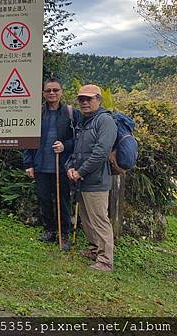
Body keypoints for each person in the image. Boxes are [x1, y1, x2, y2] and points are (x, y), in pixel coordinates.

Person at [67, 84, 117, 272]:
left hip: (96, 181)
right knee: (86, 217)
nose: (85, 102)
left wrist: (80, 172)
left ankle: (106, 261)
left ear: (99, 99)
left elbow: (100, 153)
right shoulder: (84, 121)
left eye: (89, 98)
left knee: (99, 219)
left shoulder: (105, 121)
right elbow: (77, 150)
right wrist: (71, 167)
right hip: (82, 179)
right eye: (82, 99)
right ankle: (94, 249)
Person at [24, 78, 78, 251]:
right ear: (43, 93)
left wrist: (65, 146)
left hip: (62, 166)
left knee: (63, 201)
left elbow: (79, 138)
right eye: (48, 90)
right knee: (45, 200)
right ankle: (49, 230)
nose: (52, 93)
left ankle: (64, 234)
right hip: (41, 165)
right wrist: (29, 164)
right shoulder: (36, 113)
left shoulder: (71, 113)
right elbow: (28, 140)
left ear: (61, 92)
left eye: (55, 90)